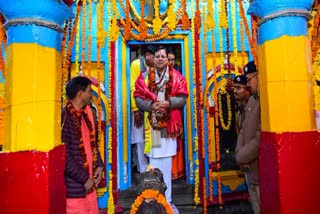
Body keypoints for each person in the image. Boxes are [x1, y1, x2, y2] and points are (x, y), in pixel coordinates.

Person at [134, 45, 188, 214]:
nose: (159, 59)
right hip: (153, 129)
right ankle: (154, 201)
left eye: (163, 56)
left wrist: (169, 103)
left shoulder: (177, 76)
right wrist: (151, 105)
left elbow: (183, 97)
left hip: (169, 128)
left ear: (167, 59)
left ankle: (168, 202)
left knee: (166, 165)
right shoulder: (143, 77)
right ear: (152, 58)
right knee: (154, 164)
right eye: (157, 56)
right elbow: (138, 97)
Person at [62, 76, 104, 214]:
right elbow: (65, 156)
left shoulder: (85, 115)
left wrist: (99, 165)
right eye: (88, 91)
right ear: (80, 94)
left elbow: (91, 144)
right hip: (76, 189)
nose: (90, 95)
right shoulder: (65, 117)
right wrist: (84, 179)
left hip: (89, 184)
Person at [235, 61, 261, 214]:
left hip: (258, 170)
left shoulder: (265, 101)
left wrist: (241, 156)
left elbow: (260, 137)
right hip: (248, 168)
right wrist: (239, 153)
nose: (248, 84)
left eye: (249, 79)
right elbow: (244, 131)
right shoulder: (252, 100)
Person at [130, 45, 155, 173]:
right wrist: (135, 109)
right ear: (147, 56)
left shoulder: (155, 67)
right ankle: (142, 171)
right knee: (140, 140)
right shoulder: (136, 65)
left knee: (152, 139)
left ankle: (153, 169)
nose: (156, 59)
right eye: (154, 56)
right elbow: (133, 87)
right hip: (139, 108)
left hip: (152, 110)